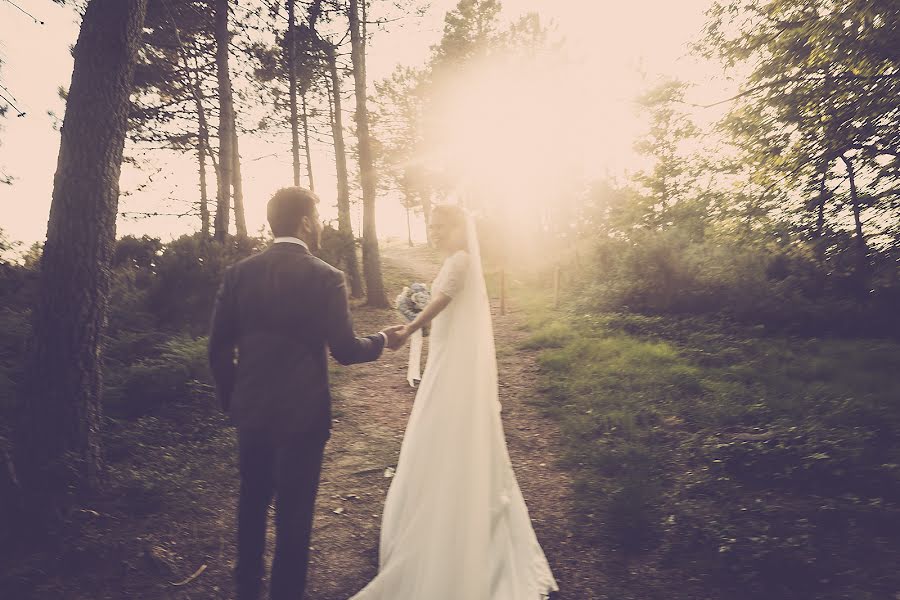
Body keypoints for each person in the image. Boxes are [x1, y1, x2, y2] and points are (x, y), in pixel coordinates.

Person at [350, 204, 559, 599]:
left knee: (442, 427)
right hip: (445, 359)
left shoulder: (460, 261)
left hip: (453, 367)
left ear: (462, 229)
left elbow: (442, 302)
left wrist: (411, 325)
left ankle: (451, 512)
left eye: (442, 226)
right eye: (431, 225)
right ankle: (443, 502)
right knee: (440, 429)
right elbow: (446, 308)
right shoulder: (453, 260)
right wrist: (418, 318)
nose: (434, 231)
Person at [208, 186, 403, 600]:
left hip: (252, 412)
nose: (320, 225)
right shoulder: (327, 277)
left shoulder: (238, 274)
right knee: (294, 519)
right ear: (306, 222)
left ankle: (246, 591)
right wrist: (383, 339)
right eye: (318, 217)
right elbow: (346, 351)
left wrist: (233, 402)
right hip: (303, 416)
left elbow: (218, 348)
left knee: (252, 504)